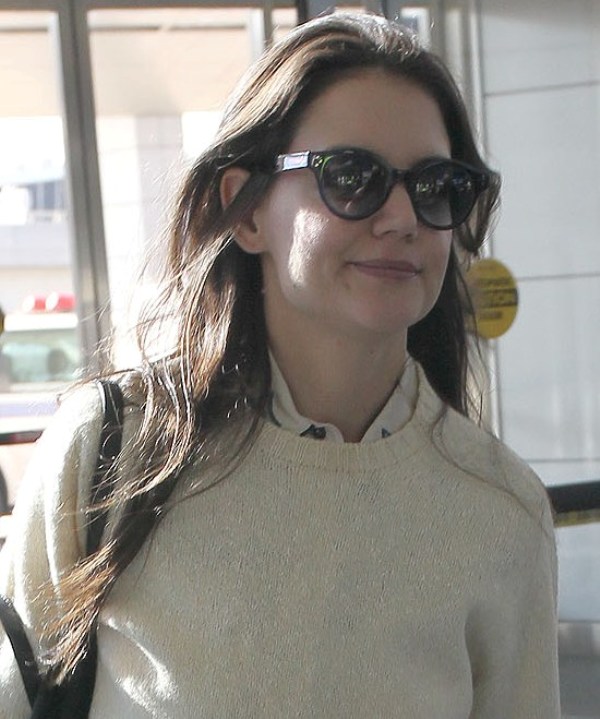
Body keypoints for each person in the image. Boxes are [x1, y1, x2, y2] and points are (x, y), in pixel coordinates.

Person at [0, 11, 559, 718]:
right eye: (351, 177)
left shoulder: (500, 506)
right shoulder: (117, 450)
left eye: (435, 185)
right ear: (246, 210)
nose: (401, 218)